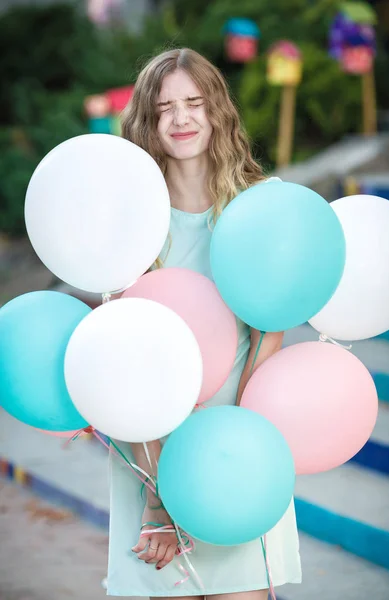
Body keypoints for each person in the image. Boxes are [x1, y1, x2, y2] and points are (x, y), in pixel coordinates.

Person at [106, 48, 301, 600]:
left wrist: (226, 462)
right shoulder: (130, 226)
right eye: (165, 108)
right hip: (150, 453)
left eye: (194, 103)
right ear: (147, 120)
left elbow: (268, 339)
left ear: (217, 111)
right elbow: (123, 364)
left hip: (236, 447)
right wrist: (161, 493)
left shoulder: (254, 209)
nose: (181, 119)